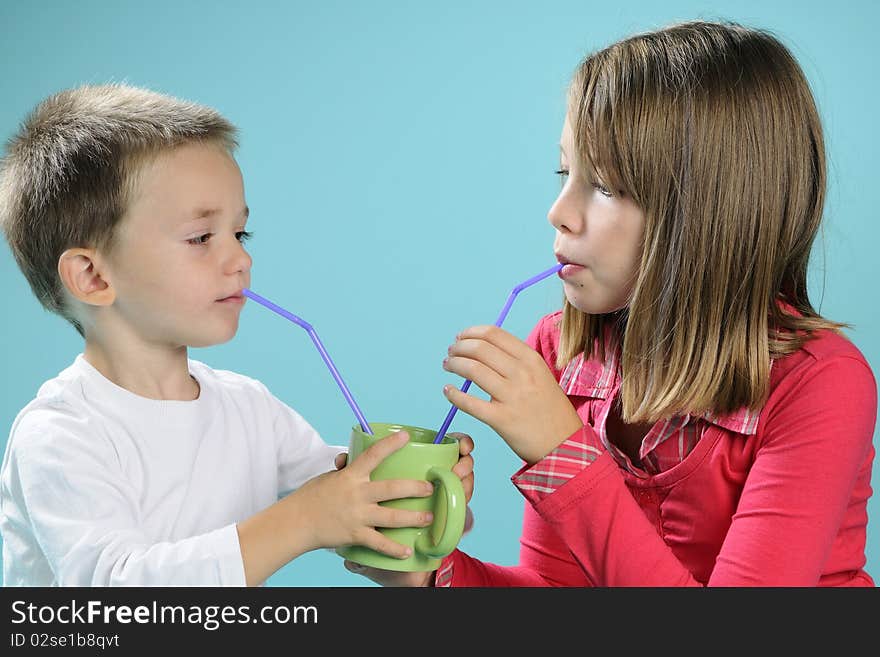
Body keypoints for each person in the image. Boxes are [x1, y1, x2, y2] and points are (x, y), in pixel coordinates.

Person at [346, 19, 876, 587]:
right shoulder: (562, 349)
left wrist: (561, 453)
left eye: (604, 185)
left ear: (705, 210)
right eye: (564, 171)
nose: (558, 212)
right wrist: (426, 575)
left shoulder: (819, 382)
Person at [0, 83, 475, 586]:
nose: (241, 260)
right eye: (201, 237)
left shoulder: (250, 410)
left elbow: (350, 511)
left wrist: (424, 504)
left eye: (240, 234)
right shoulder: (59, 436)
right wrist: (304, 519)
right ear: (93, 277)